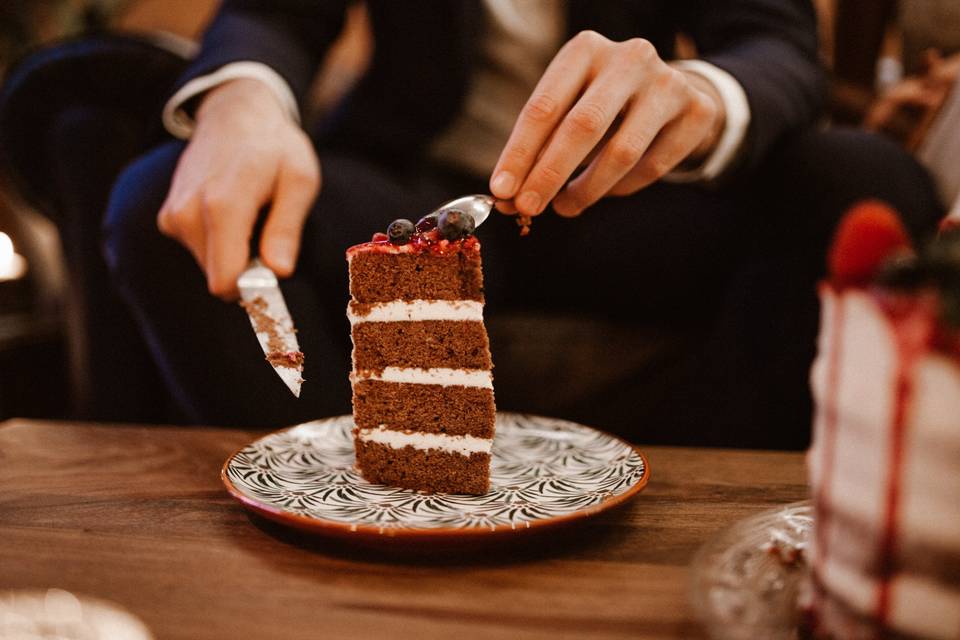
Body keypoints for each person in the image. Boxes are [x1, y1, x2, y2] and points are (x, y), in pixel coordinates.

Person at [104, 0, 943, 448]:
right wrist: (242, 96)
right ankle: (334, 524)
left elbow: (776, 43)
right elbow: (274, 17)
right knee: (160, 199)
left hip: (630, 199)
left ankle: (682, 510)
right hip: (415, 182)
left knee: (867, 182)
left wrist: (698, 96)